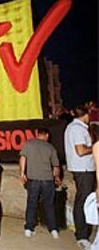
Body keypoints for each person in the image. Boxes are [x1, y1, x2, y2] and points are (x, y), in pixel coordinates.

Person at [19, 128, 61, 239]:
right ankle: (53, 229)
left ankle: (29, 228)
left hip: (33, 179)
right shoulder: (50, 147)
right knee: (49, 205)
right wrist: (57, 177)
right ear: (46, 135)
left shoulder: (28, 144)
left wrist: (22, 173)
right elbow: (56, 166)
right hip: (48, 180)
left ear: (37, 134)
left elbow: (23, 158)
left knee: (31, 204)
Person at [65, 106, 95, 250]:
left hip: (83, 169)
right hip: (83, 169)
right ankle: (82, 236)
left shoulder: (75, 127)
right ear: (86, 115)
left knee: (83, 199)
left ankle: (82, 231)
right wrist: (95, 147)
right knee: (84, 201)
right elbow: (81, 150)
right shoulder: (77, 129)